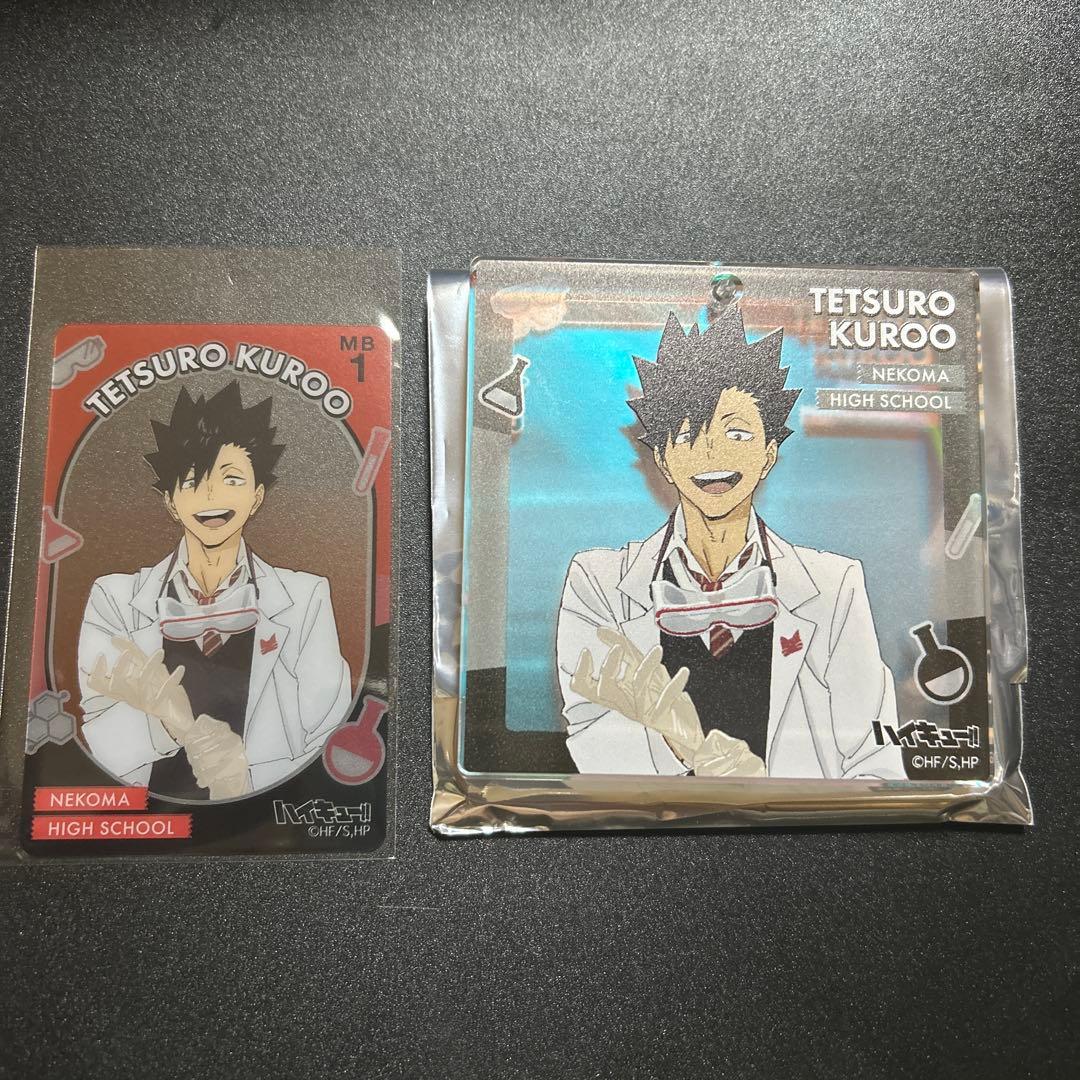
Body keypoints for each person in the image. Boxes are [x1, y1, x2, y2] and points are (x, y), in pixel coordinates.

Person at [555, 307, 904, 780]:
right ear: (663, 459)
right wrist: (683, 751)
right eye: (687, 435)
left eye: (736, 433)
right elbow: (592, 732)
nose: (712, 454)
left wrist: (762, 789)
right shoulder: (598, 583)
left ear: (768, 454)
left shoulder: (834, 586)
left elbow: (876, 766)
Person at [78, 381, 352, 799]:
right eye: (192, 481)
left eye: (231, 479)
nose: (211, 496)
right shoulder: (115, 599)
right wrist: (169, 725)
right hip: (154, 819)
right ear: (170, 502)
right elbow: (100, 738)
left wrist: (242, 780)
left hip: (268, 815)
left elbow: (327, 730)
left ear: (257, 496)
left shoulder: (305, 598)